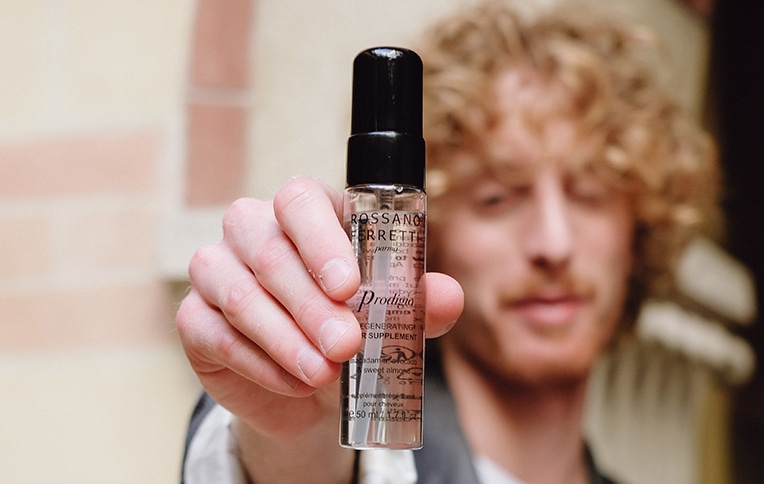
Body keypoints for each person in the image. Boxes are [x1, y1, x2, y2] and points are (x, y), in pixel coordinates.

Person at [175, 1, 720, 482]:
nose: (553, 243)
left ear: (639, 227)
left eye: (590, 194)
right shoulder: (362, 462)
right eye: (497, 199)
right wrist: (290, 444)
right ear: (427, 237)